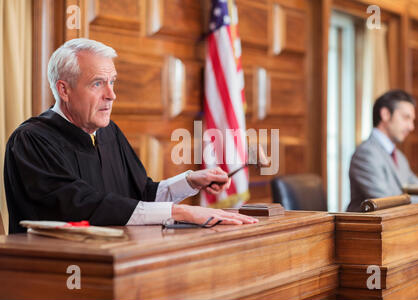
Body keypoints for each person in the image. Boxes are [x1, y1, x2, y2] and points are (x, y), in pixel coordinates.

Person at [4, 38, 258, 234]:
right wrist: (180, 212)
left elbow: (140, 196)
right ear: (64, 89)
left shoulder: (108, 132)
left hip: (119, 263)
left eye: (112, 82)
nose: (111, 94)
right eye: (97, 83)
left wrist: (190, 181)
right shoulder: (32, 141)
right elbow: (84, 206)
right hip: (60, 275)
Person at [347, 89, 418, 212]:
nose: (411, 127)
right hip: (368, 229)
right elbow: (388, 202)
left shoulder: (399, 156)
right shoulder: (365, 154)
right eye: (406, 118)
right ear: (385, 114)